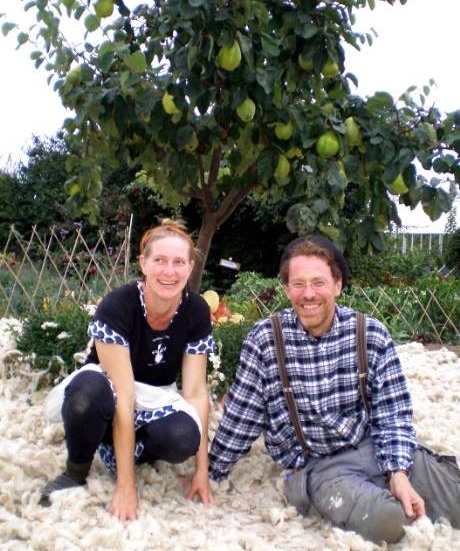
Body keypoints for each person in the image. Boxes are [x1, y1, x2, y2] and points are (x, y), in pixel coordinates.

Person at [208, 235, 460, 544]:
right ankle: (331, 493)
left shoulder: (371, 334)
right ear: (287, 289)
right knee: (390, 523)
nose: (308, 294)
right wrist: (210, 472)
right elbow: (241, 417)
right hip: (322, 465)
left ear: (337, 285)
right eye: (298, 284)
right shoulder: (265, 340)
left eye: (318, 282)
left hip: (375, 445)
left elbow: (393, 413)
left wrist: (397, 473)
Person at [40, 219, 215, 520]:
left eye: (178, 263)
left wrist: (202, 471)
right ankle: (76, 469)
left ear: (190, 268)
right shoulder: (117, 306)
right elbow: (124, 394)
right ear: (143, 264)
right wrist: (126, 487)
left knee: (182, 438)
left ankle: (137, 453)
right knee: (85, 398)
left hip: (156, 395)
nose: (169, 271)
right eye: (159, 260)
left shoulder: (196, 309)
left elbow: (196, 392)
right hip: (109, 389)